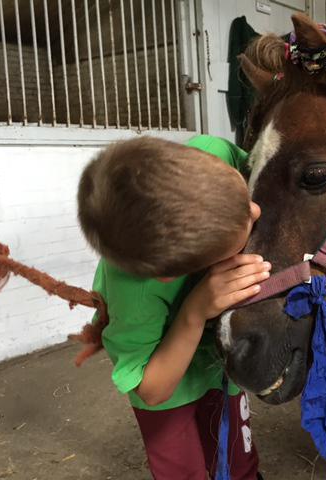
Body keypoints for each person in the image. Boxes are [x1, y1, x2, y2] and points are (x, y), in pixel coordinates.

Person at [77, 135, 268, 480]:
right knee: (182, 471)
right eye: (241, 229)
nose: (255, 210)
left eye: (243, 196)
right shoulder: (135, 295)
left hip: (216, 358)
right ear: (172, 275)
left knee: (237, 462)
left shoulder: (214, 154)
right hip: (165, 378)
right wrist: (195, 312)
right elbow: (152, 390)